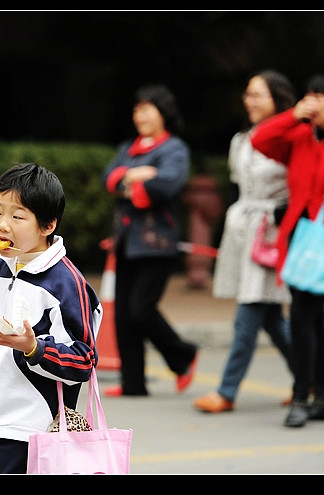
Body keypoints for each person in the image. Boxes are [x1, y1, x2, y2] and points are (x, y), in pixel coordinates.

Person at [0, 162, 102, 473]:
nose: (2, 225)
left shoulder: (66, 284)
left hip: (30, 427)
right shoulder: (0, 268)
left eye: (17, 216)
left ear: (47, 225)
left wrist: (34, 348)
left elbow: (83, 360)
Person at [250, 72, 324, 428]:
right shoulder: (300, 135)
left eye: (321, 96)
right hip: (299, 242)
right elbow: (261, 139)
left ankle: (302, 395)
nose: (313, 102)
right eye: (309, 95)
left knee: (302, 316)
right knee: (312, 320)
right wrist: (293, 115)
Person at [193, 70, 297, 413]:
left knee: (249, 312)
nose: (249, 101)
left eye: (258, 95)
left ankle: (227, 390)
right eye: (248, 95)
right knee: (269, 315)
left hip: (272, 231)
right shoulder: (241, 139)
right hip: (245, 229)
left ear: (278, 99)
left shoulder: (293, 136)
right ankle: (309, 377)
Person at [101, 84, 198, 397]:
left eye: (147, 108)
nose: (139, 114)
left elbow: (167, 185)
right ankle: (133, 383)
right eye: (137, 109)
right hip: (126, 241)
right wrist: (137, 175)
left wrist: (134, 183)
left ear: (163, 112)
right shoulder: (129, 147)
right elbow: (109, 177)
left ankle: (183, 355)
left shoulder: (175, 149)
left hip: (157, 243)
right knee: (124, 317)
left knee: (141, 310)